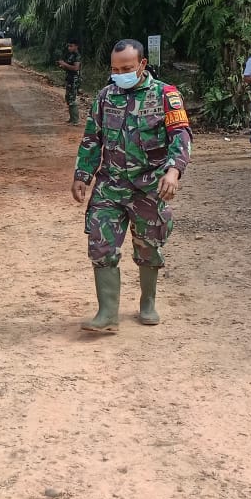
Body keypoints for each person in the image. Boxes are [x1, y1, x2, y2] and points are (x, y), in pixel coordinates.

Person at [72, 39, 192, 331]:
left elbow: (181, 135)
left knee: (149, 247)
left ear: (142, 65)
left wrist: (174, 172)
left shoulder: (165, 95)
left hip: (149, 186)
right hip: (110, 185)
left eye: (126, 68)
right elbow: (92, 138)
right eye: (115, 69)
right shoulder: (104, 97)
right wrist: (82, 175)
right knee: (101, 245)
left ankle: (147, 302)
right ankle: (107, 313)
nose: (120, 73)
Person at [57, 39, 83, 124]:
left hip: (74, 79)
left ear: (76, 46)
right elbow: (69, 67)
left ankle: (75, 120)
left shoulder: (77, 56)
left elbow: (76, 68)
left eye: (71, 46)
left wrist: (64, 64)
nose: (69, 48)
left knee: (72, 98)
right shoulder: (71, 55)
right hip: (69, 78)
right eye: (68, 46)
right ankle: (72, 118)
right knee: (68, 97)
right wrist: (62, 66)